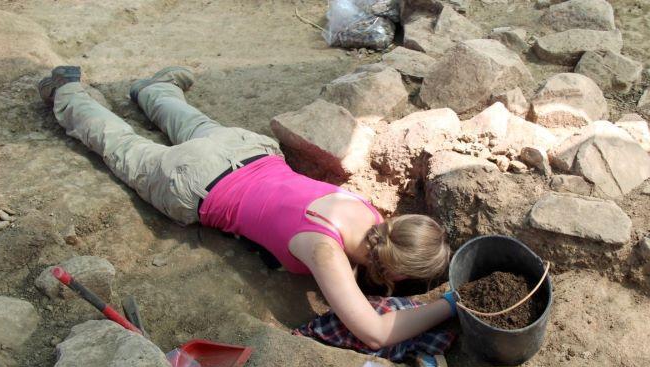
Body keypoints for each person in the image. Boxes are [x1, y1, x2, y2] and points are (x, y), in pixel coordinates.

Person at [38, 66, 459, 350]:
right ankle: (67, 91)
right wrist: (450, 304)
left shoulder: (367, 210)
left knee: (191, 122)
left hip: (246, 150)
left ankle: (157, 90)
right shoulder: (325, 252)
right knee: (122, 145)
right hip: (194, 183)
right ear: (396, 272)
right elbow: (376, 332)